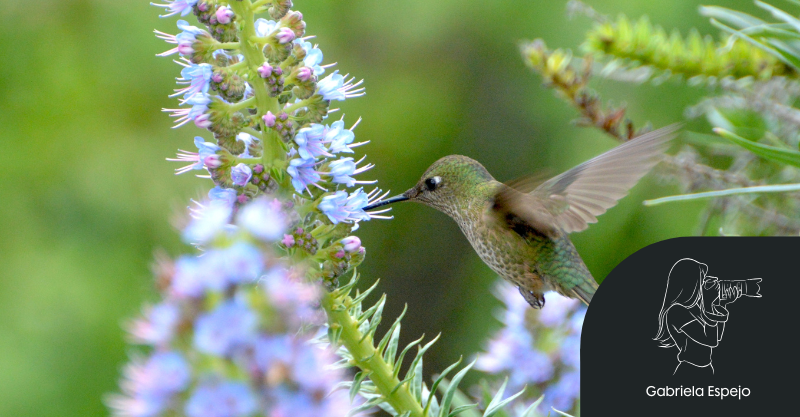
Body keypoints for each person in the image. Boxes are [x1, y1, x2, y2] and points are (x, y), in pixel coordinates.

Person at [654, 258, 741, 375]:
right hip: (690, 370)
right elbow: (710, 340)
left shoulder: (696, 309)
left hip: (707, 368)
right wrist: (709, 304)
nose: (704, 285)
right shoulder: (676, 311)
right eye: (702, 280)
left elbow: (717, 337)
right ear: (690, 283)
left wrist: (721, 304)